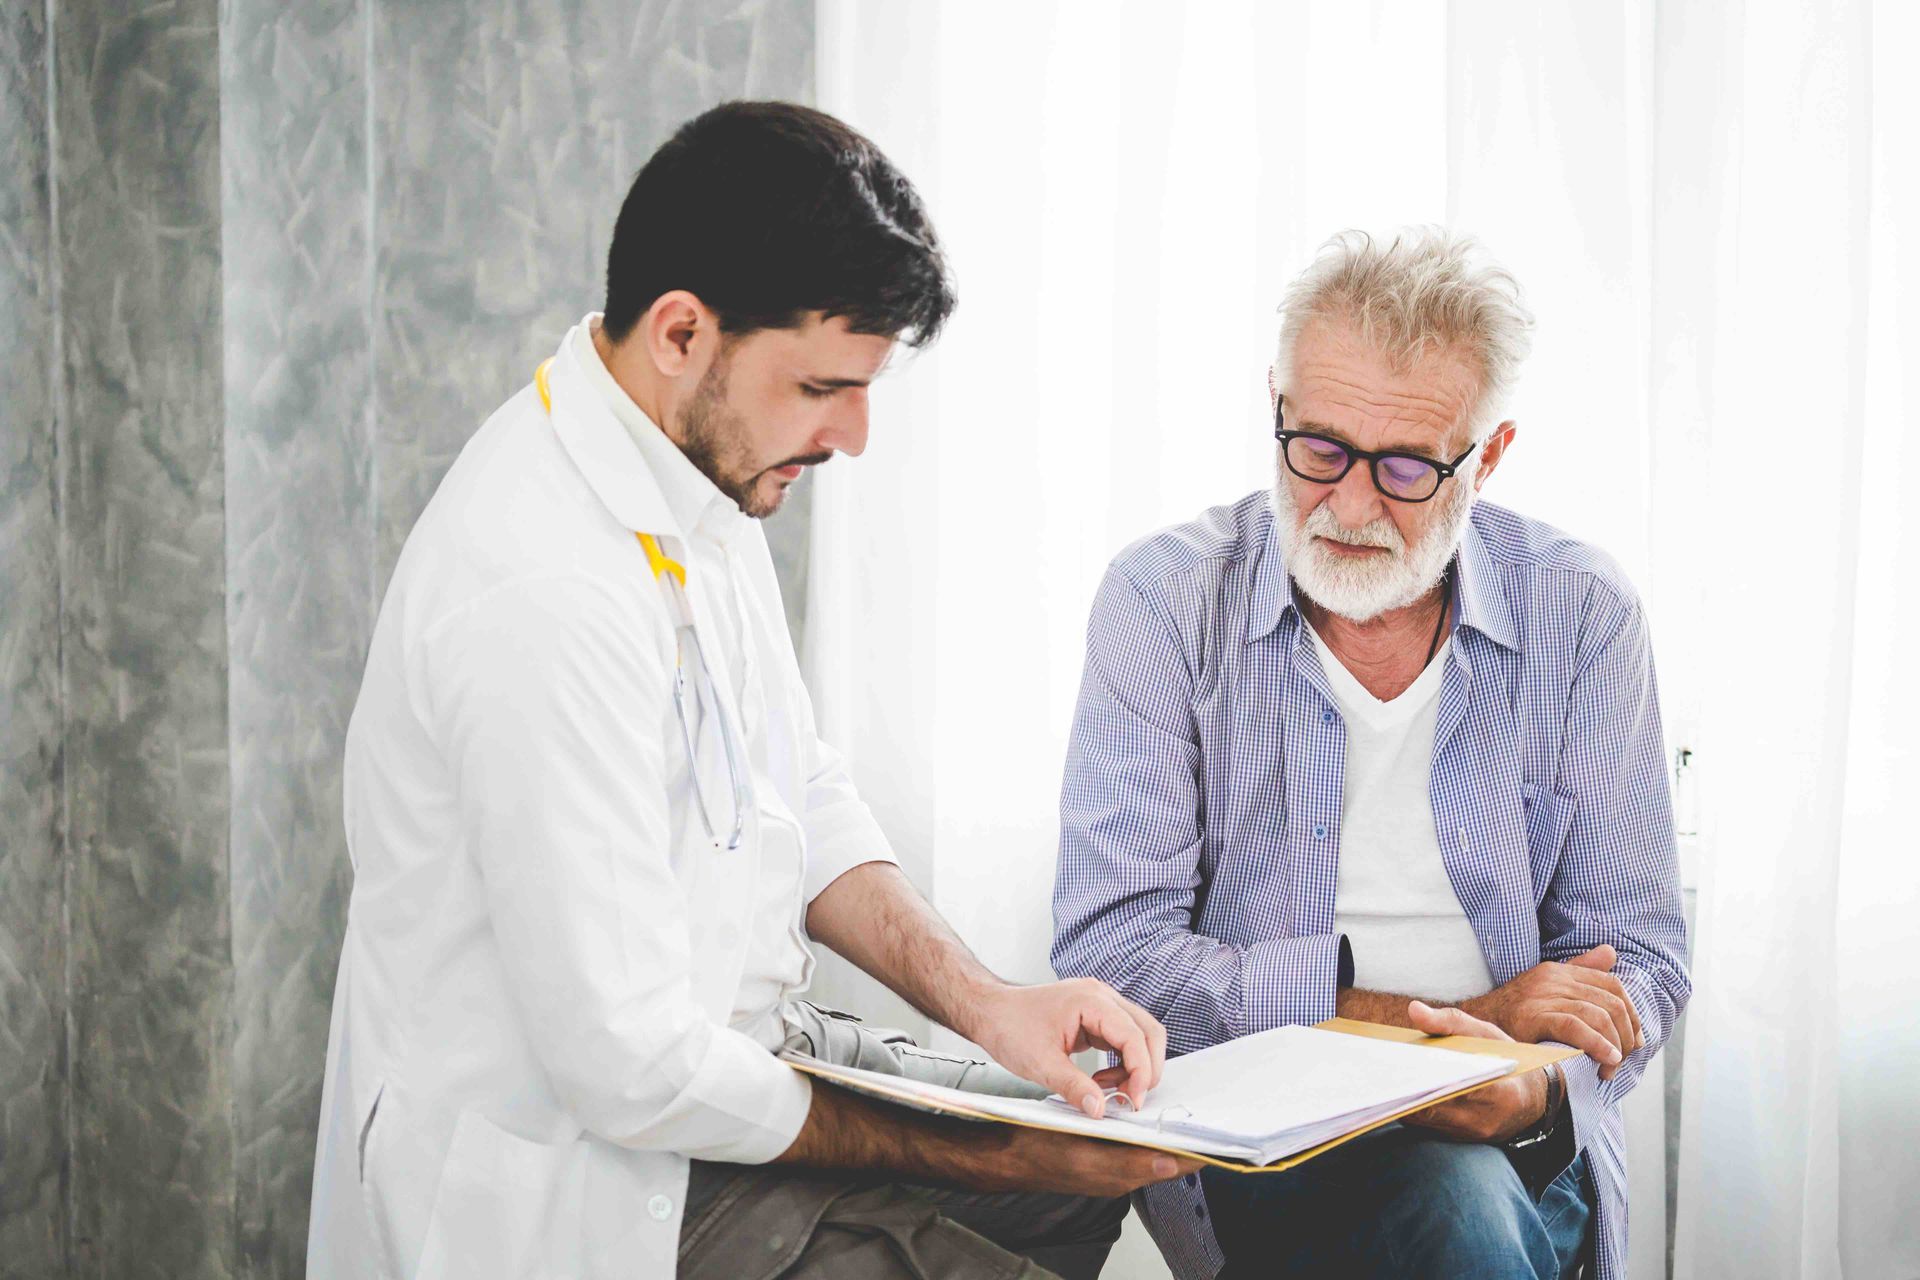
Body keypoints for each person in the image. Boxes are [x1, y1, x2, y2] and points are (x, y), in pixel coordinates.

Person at [306, 100, 1194, 1280]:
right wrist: (979, 1153)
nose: (856, 435)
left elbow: (801, 795)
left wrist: (989, 1004)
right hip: (585, 1172)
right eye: (826, 385)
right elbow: (632, 1067)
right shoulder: (540, 586)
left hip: (726, 1070)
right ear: (681, 332)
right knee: (1012, 1194)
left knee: (1089, 1161)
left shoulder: (692, 481)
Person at [1051, 228, 1690, 1280]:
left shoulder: (1583, 612)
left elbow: (1640, 956)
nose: (1348, 506)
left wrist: (1530, 1083)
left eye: (1403, 468)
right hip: (1260, 1128)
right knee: (1441, 1212)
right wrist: (1451, 1025)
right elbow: (1114, 956)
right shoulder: (1163, 601)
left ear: (1488, 456)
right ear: (1276, 401)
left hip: (1517, 1127)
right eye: (1318, 449)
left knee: (1459, 1200)